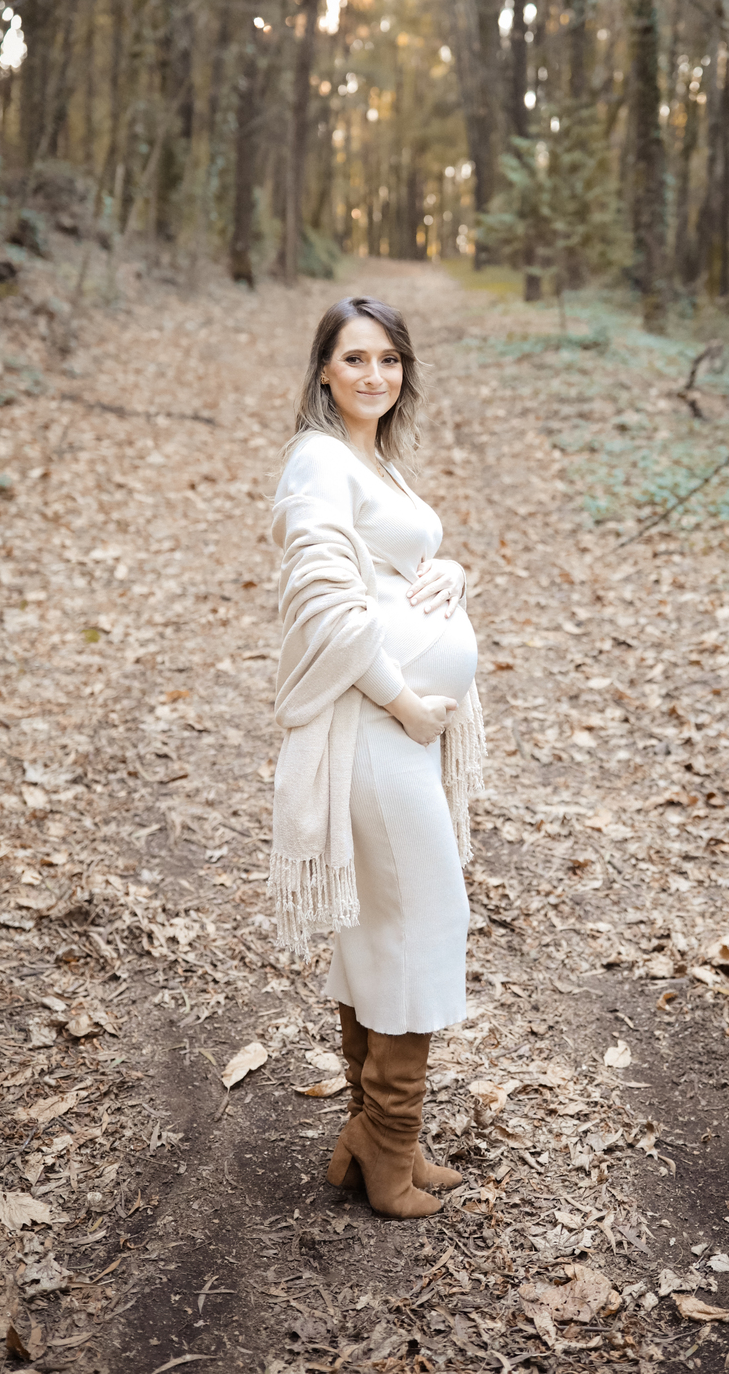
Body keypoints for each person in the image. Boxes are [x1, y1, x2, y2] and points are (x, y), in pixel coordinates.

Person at [267, 295, 487, 1219]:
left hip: (395, 731)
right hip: (374, 727)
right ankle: (389, 1149)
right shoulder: (319, 457)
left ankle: (372, 1135)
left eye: (390, 359)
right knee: (425, 920)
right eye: (355, 358)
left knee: (383, 928)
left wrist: (452, 574)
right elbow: (325, 602)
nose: (374, 374)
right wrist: (407, 704)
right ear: (324, 370)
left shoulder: (374, 460)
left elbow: (389, 570)